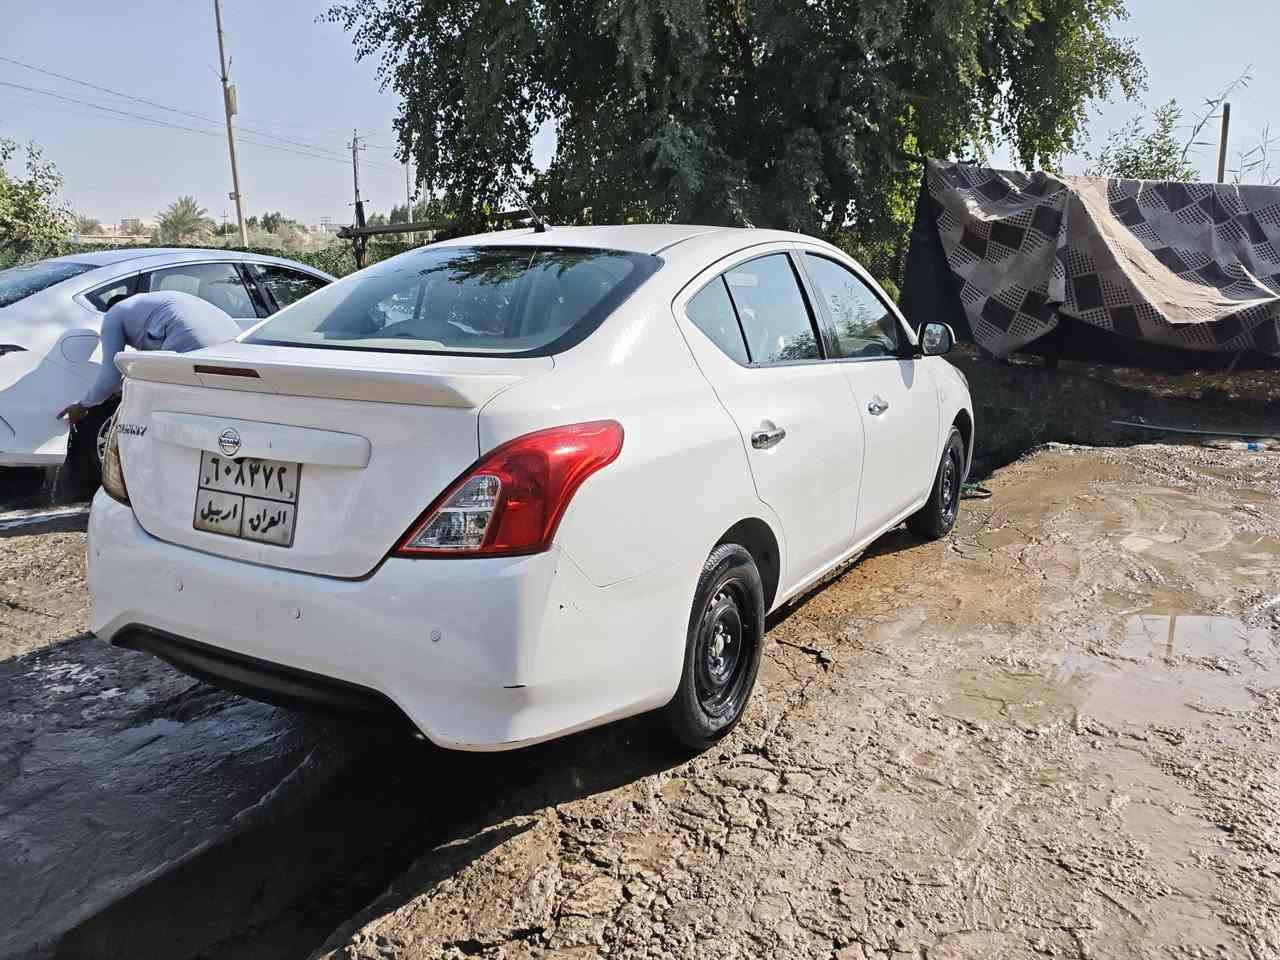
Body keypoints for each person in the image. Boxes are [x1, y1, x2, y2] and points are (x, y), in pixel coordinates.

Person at [53, 290, 242, 501]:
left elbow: (109, 377)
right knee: (213, 418)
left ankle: (160, 489)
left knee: (158, 418)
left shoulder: (114, 315)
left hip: (192, 347)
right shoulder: (152, 305)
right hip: (236, 345)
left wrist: (82, 405)